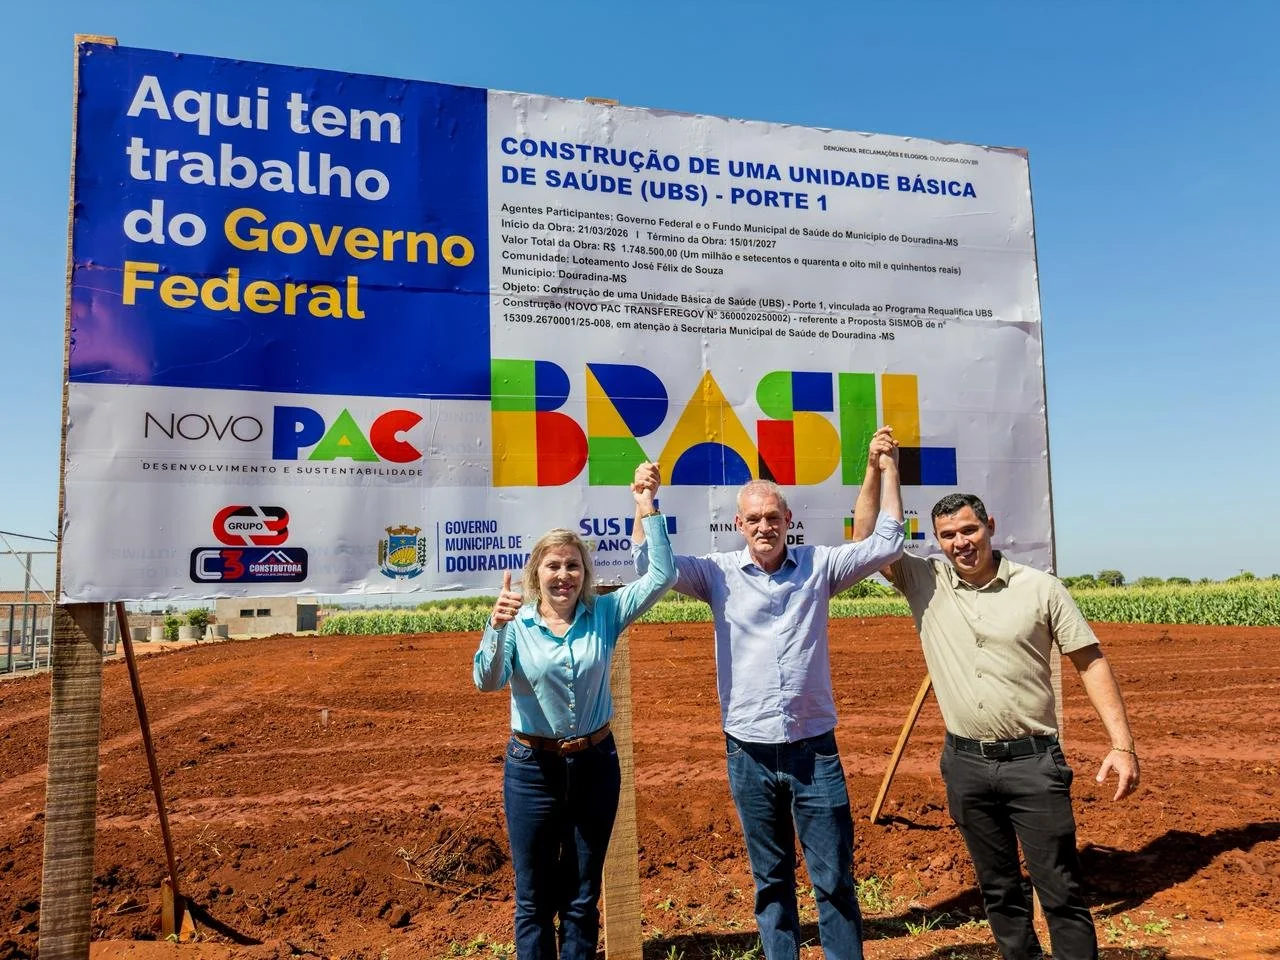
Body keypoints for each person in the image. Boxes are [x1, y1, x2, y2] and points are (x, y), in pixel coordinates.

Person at [632, 427, 905, 960]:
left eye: (773, 517)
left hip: (814, 751)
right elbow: (650, 569)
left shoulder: (819, 567)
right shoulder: (716, 574)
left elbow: (887, 542)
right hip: (748, 751)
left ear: (788, 523)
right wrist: (646, 503)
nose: (764, 526)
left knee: (834, 880)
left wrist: (887, 467)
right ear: (738, 525)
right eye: (753, 519)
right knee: (771, 882)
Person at [878, 487, 1140, 960]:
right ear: (937, 540)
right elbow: (868, 539)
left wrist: (1122, 746)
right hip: (965, 764)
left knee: (1060, 890)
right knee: (998, 890)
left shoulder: (1041, 588)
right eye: (948, 535)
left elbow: (1091, 662)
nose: (960, 542)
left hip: (1033, 764)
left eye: (969, 529)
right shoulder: (925, 582)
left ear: (990, 526)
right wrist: (880, 470)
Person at [474, 477, 676, 960]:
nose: (563, 575)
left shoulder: (604, 613)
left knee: (583, 898)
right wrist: (495, 626)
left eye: (572, 566)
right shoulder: (517, 623)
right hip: (532, 771)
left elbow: (661, 577)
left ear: (584, 573)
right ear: (535, 574)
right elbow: (488, 680)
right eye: (553, 566)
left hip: (595, 767)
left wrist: (646, 505)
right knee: (533, 899)